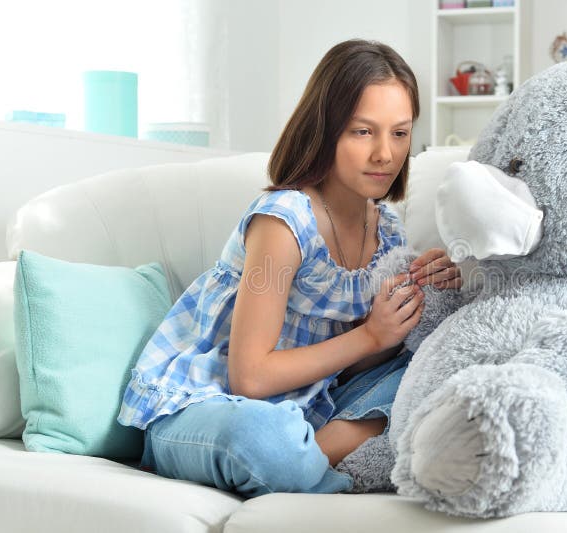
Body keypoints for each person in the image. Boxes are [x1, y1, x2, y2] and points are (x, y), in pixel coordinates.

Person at [117, 39, 462, 497]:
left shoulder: (389, 233)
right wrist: (369, 335)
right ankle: (324, 463)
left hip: (307, 408)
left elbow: (349, 369)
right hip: (211, 406)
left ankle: (309, 457)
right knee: (265, 440)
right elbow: (251, 378)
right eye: (363, 131)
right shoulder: (283, 222)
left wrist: (404, 313)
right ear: (325, 129)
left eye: (399, 133)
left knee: (439, 368)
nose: (385, 154)